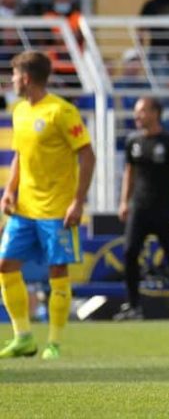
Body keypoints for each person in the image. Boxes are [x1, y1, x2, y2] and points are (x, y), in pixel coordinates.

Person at [0, 51, 95, 360]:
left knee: (57, 271)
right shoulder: (19, 111)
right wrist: (10, 191)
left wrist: (78, 202)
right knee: (5, 266)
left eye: (14, 75)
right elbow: (19, 157)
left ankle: (54, 342)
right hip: (24, 208)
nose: (11, 81)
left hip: (57, 210)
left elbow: (87, 155)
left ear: (26, 78)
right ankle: (23, 337)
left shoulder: (61, 111)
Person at [113, 97, 169, 321]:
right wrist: (124, 201)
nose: (137, 116)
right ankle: (134, 307)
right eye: (136, 112)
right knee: (130, 253)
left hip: (165, 210)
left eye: (141, 111)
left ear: (155, 113)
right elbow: (129, 174)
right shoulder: (133, 141)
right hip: (139, 209)